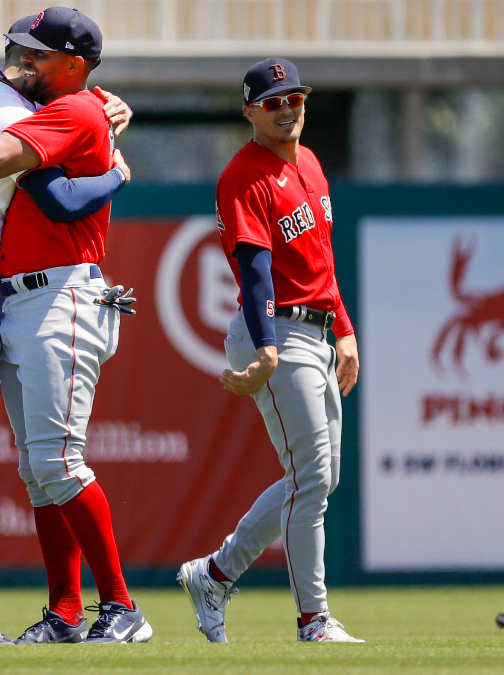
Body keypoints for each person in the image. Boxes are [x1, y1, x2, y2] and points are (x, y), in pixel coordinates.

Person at [0, 7, 148, 646]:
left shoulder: (65, 109)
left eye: (39, 53)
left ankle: (116, 608)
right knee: (12, 462)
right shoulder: (45, 102)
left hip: (45, 292)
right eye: (23, 50)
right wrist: (114, 153)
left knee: (42, 461)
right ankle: (45, 612)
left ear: (73, 64)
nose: (26, 60)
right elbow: (44, 163)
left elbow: (49, 193)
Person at [175, 58, 363, 644]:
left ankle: (215, 572)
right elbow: (253, 271)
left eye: (295, 98)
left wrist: (346, 329)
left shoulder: (309, 162)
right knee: (311, 478)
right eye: (274, 101)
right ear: (251, 111)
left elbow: (322, 261)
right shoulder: (243, 175)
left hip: (319, 330)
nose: (288, 109)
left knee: (319, 477)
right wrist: (264, 346)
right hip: (278, 330)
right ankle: (314, 620)